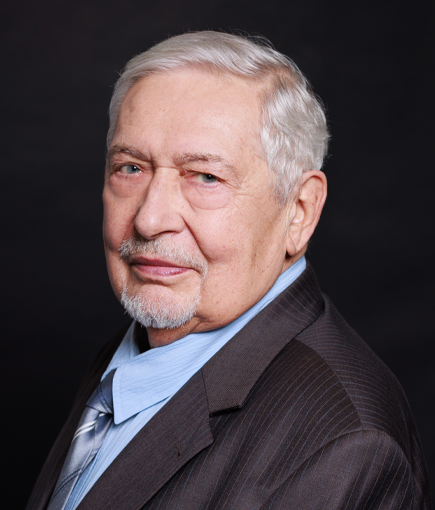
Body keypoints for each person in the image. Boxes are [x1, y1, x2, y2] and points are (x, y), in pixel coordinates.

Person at [26, 31, 431, 509]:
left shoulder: (346, 446)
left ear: (299, 211)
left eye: (206, 177)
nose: (150, 219)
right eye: (131, 168)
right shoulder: (142, 345)